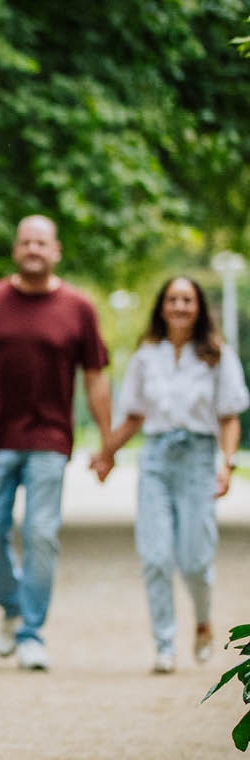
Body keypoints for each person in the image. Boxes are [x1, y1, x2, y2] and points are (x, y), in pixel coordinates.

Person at [0, 215, 112, 671]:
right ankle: (12, 608)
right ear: (15, 250)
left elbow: (96, 378)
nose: (33, 249)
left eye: (41, 243)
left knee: (41, 535)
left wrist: (108, 443)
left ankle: (31, 633)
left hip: (51, 439)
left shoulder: (78, 307)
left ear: (56, 251)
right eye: (26, 242)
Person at [91, 276, 249, 673]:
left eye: (187, 300)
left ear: (198, 308)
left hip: (198, 460)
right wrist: (106, 454)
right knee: (156, 557)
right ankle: (164, 644)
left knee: (195, 559)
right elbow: (134, 417)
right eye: (173, 299)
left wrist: (227, 464)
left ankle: (202, 620)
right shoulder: (146, 357)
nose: (179, 306)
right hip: (156, 462)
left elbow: (229, 417)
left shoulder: (217, 355)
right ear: (162, 307)